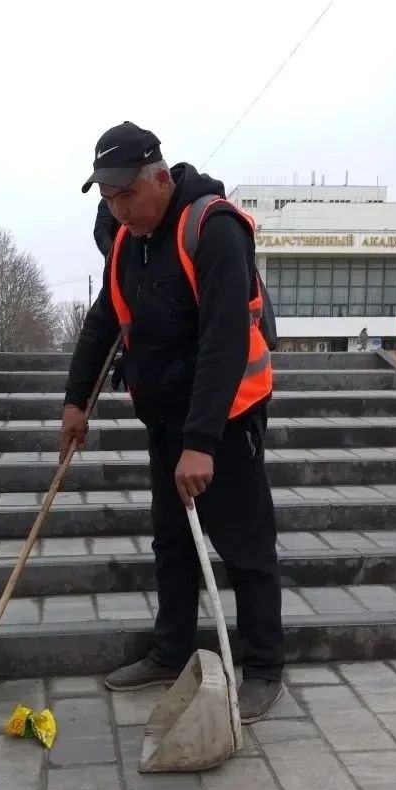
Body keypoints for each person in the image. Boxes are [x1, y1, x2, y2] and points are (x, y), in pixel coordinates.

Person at [60, 121, 284, 721]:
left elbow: (224, 340)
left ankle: (263, 667)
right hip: (163, 420)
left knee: (244, 546)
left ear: (161, 177)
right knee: (172, 544)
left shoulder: (213, 229)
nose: (118, 207)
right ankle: (171, 651)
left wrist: (202, 442)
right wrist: (76, 401)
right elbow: (103, 321)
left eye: (126, 193)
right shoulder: (129, 243)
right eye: (107, 197)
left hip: (226, 420)